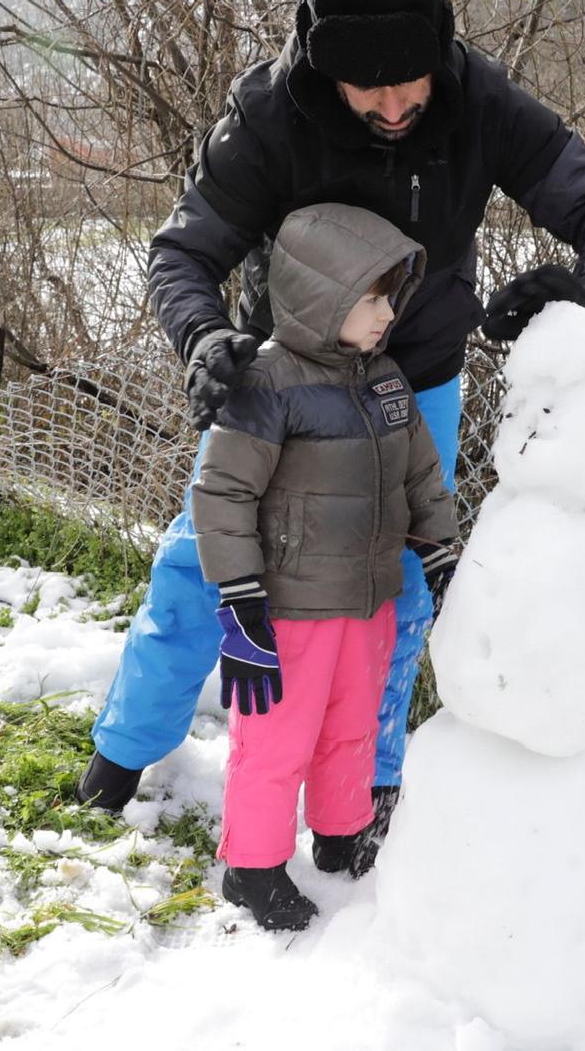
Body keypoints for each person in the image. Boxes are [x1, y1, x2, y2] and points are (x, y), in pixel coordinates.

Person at [81, 0, 585, 847]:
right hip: (279, 380)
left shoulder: (479, 99)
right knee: (205, 564)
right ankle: (122, 754)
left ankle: (366, 790)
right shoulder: (271, 111)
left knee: (392, 596)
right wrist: (204, 337)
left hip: (415, 384)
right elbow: (183, 252)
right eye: (368, 91)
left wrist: (582, 297)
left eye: (411, 86)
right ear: (324, 70)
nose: (394, 108)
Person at [196, 203, 459, 930]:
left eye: (389, 298)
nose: (384, 314)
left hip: (369, 597)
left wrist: (441, 553)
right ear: (321, 294)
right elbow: (223, 491)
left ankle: (342, 834)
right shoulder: (267, 383)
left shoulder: (386, 380)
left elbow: (422, 480)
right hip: (286, 608)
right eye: (370, 298)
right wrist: (240, 597)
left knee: (353, 725)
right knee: (277, 741)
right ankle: (252, 866)